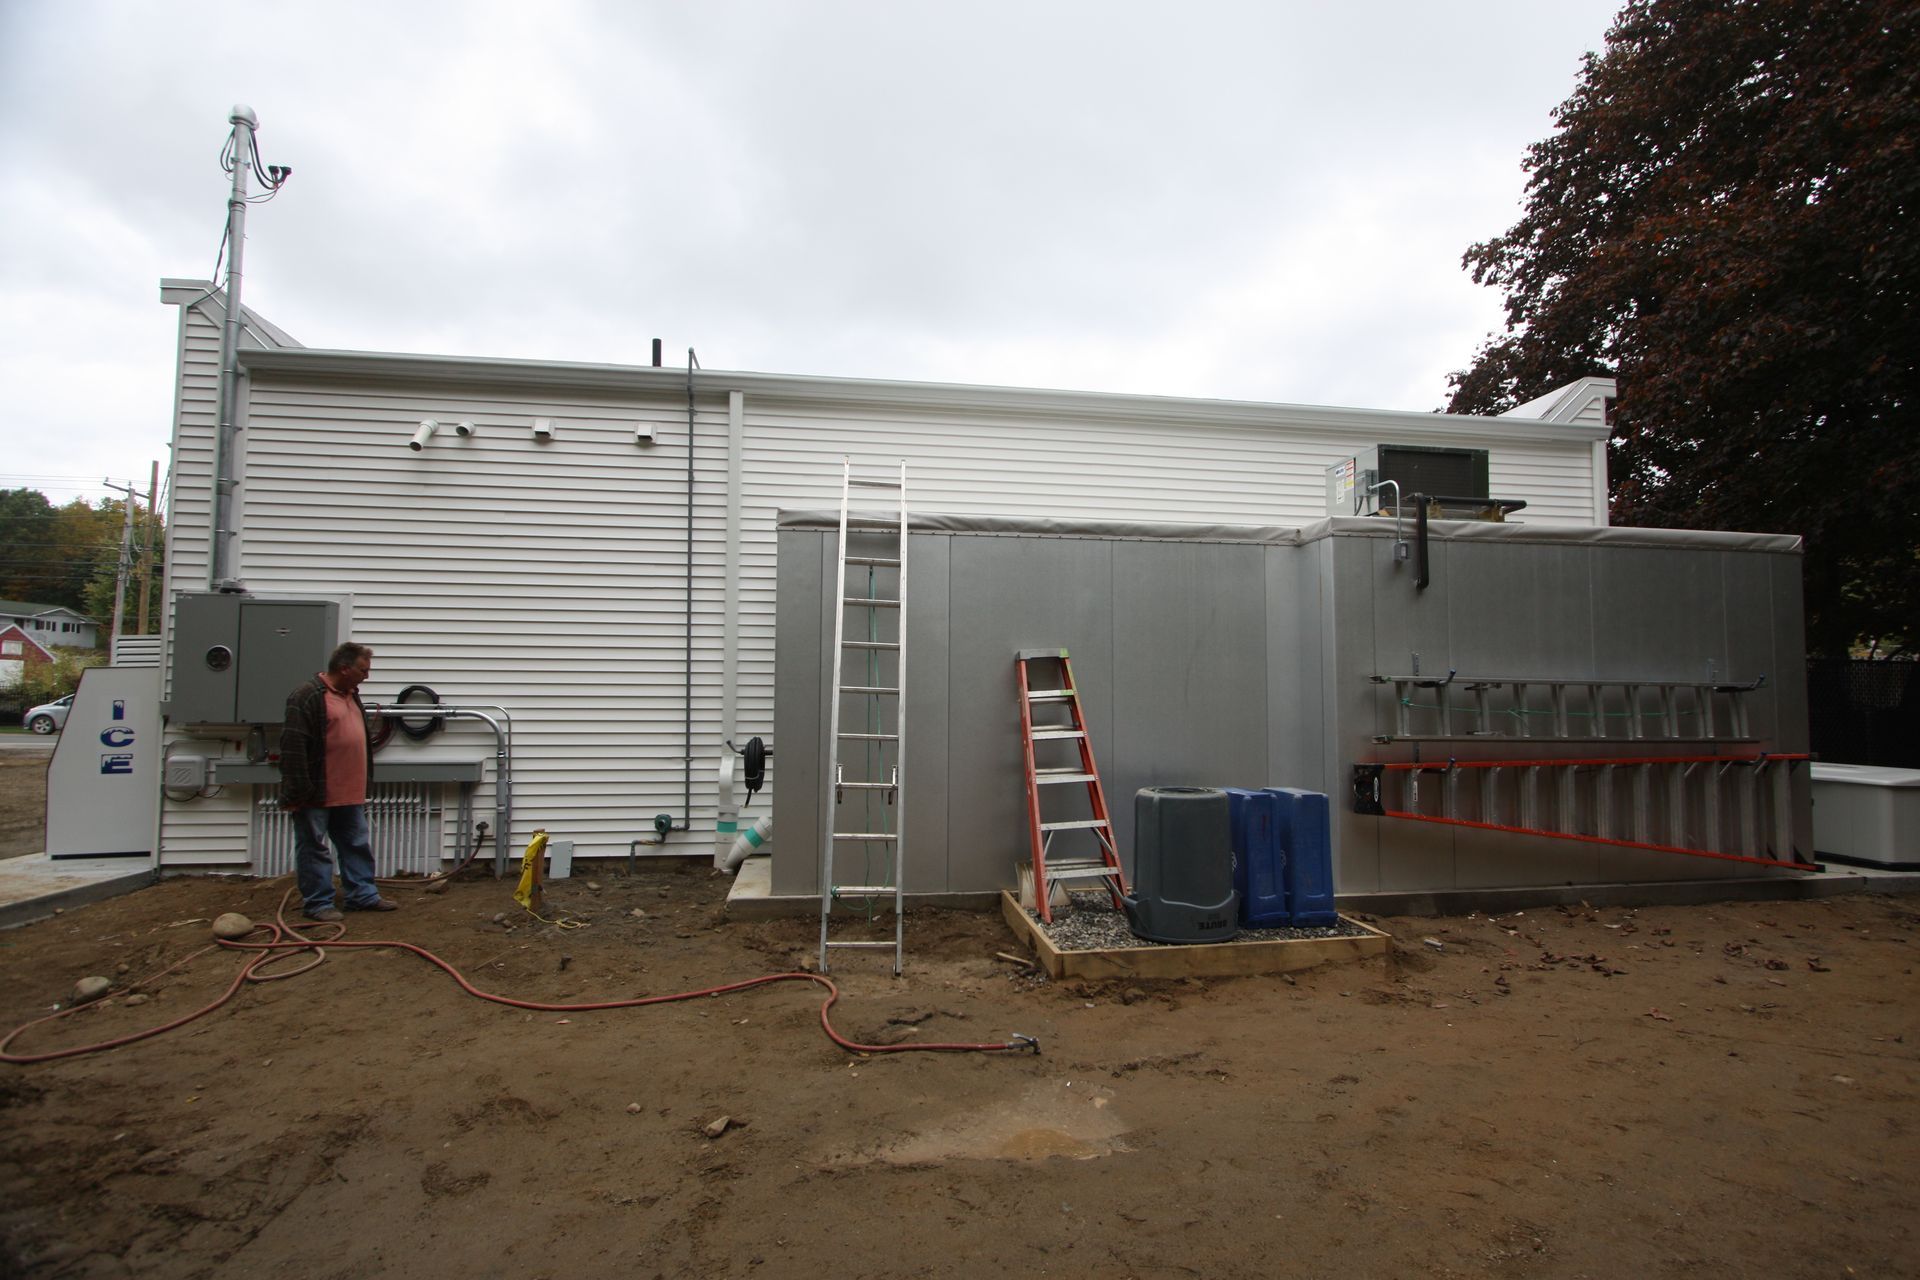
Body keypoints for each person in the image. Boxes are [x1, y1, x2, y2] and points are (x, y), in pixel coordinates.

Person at [279, 642, 396, 922]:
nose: (366, 676)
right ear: (344, 669)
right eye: (362, 670)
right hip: (317, 791)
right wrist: (299, 792)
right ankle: (318, 903)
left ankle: (362, 895)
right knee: (314, 847)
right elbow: (293, 747)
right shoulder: (307, 696)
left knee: (356, 843)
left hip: (350, 791)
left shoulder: (350, 694)